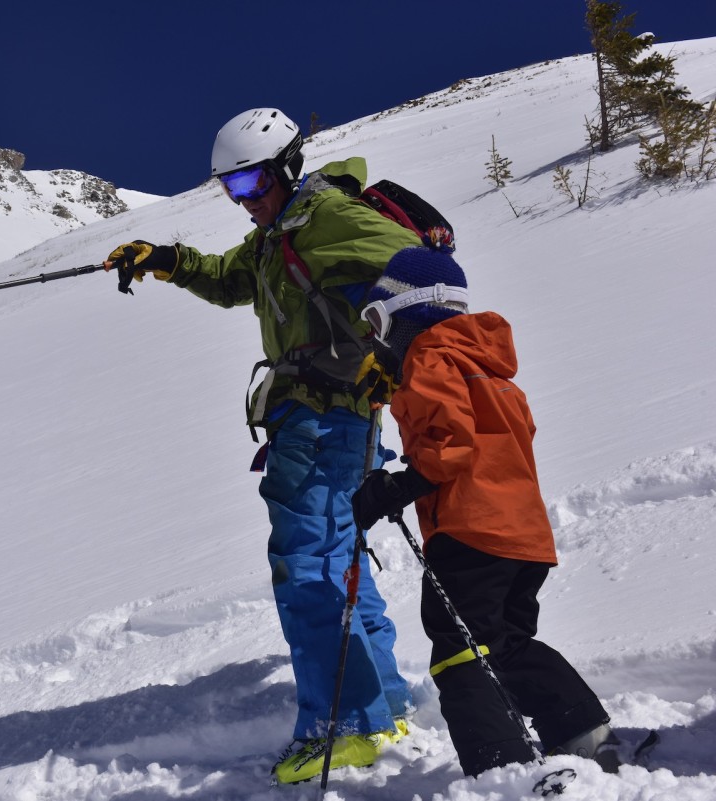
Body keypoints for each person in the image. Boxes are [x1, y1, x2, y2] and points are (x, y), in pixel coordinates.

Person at [103, 108, 420, 784]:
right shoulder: (280, 235)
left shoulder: (327, 218)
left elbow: (421, 270)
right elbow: (227, 279)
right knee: (337, 554)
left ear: (284, 168)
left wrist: (394, 349)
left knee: (305, 561)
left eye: (248, 184)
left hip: (328, 414)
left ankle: (346, 724)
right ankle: (384, 704)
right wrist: (163, 258)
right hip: (322, 415)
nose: (241, 201)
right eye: (228, 189)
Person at [350, 233, 620, 777]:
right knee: (507, 642)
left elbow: (450, 442)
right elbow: (491, 437)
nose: (382, 341)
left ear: (409, 310)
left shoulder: (429, 355)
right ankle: (581, 730)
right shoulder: (490, 370)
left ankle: (501, 769)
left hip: (472, 531)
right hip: (525, 538)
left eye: (379, 324)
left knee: (460, 648)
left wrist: (394, 487)